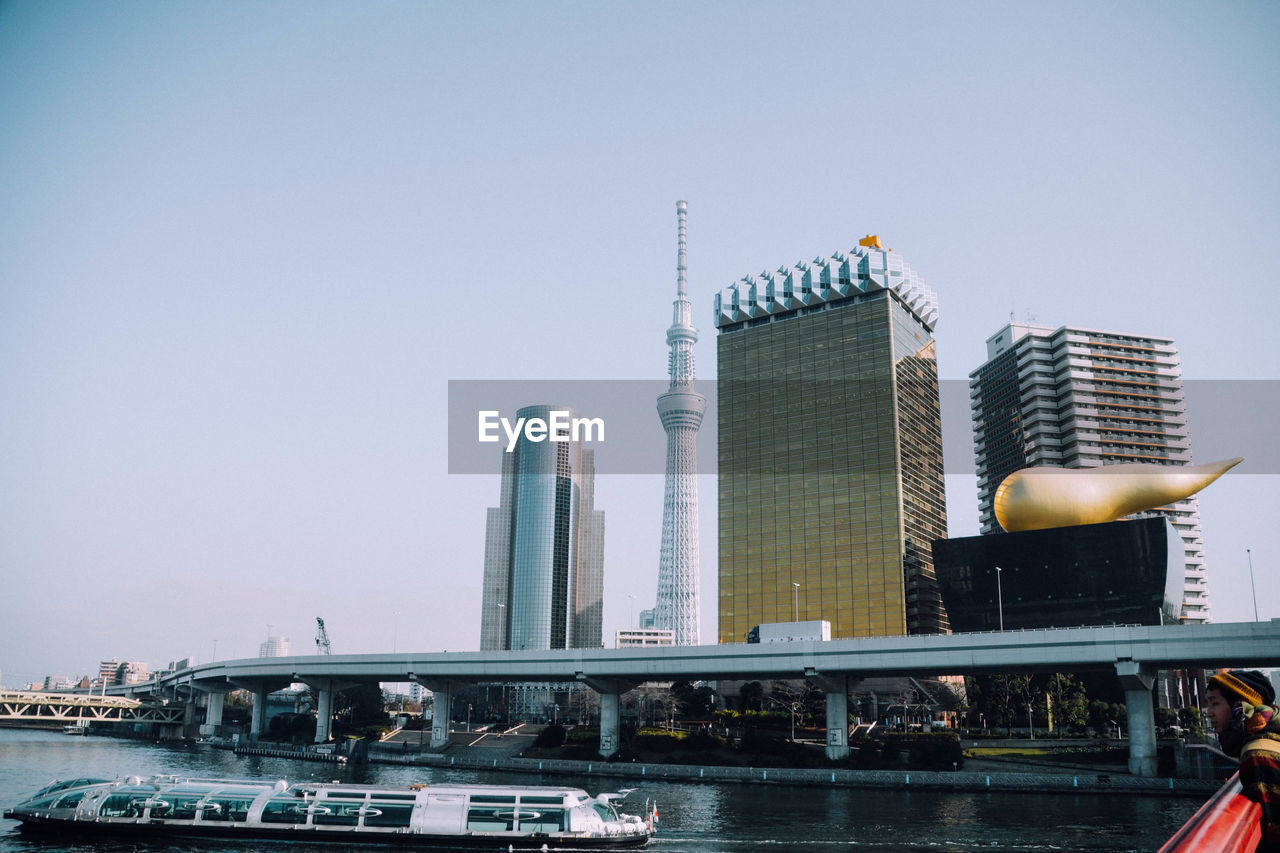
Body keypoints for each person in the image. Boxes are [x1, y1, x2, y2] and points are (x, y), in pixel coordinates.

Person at [1206, 670, 1280, 851]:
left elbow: (1274, 834)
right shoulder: (1272, 736)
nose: (1209, 713)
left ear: (1240, 707)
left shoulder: (1257, 754)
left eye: (1215, 703)